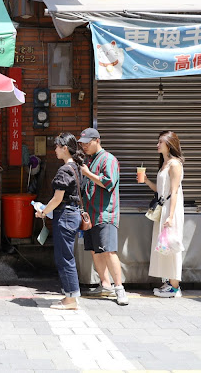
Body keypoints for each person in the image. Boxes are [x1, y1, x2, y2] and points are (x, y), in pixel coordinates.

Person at [78, 128, 129, 306]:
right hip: (91, 213)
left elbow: (108, 182)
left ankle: (119, 288)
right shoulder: (89, 160)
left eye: (87, 142)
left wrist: (87, 174)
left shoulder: (108, 159)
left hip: (105, 212)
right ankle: (105, 284)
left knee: (108, 250)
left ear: (97, 140)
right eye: (82, 143)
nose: (84, 146)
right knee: (95, 250)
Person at [34, 132, 83, 309]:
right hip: (72, 214)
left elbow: (57, 198)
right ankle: (71, 296)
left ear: (64, 148)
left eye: (57, 146)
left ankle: (70, 299)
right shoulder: (77, 167)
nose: (54, 149)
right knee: (66, 256)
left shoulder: (64, 170)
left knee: (64, 257)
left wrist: (43, 212)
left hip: (66, 216)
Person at [141, 131, 185, 298]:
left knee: (171, 245)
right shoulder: (165, 163)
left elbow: (174, 192)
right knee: (164, 245)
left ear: (169, 144)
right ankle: (169, 282)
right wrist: (145, 180)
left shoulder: (175, 164)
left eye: (160, 142)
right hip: (164, 207)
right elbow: (161, 191)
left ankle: (175, 287)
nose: (157, 145)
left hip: (170, 209)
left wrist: (171, 216)